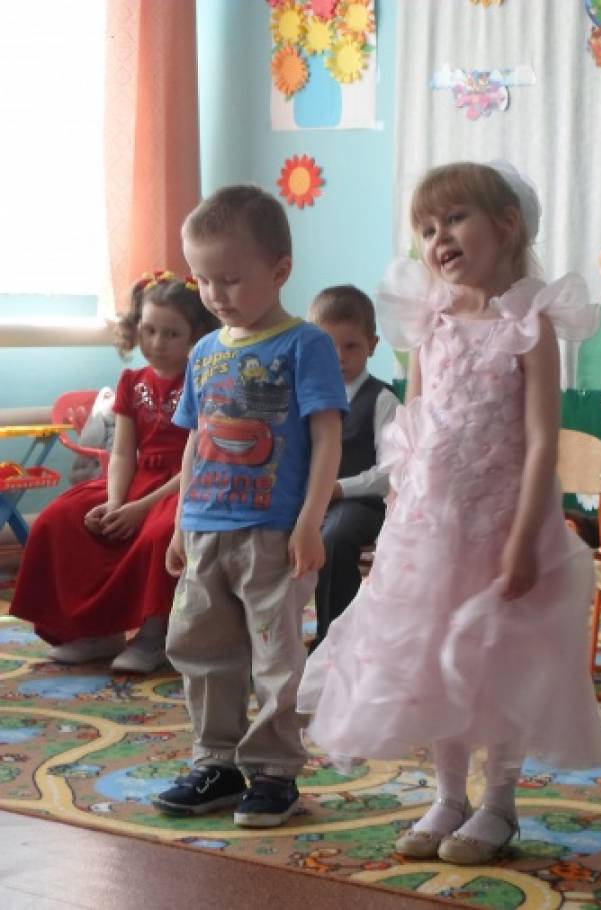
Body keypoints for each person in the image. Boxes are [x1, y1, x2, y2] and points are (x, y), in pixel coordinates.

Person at [298, 161, 601, 865]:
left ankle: (498, 804)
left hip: (504, 524)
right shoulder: (431, 321)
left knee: (496, 660)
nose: (439, 238)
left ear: (506, 226)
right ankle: (447, 796)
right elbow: (414, 425)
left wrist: (526, 537)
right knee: (433, 656)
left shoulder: (529, 323)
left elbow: (542, 440)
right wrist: (400, 517)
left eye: (455, 220)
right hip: (431, 525)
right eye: (427, 228)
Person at [152, 185, 347, 828]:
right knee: (201, 648)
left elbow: (326, 439)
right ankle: (217, 762)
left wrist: (310, 522)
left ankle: (272, 771)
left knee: (275, 656)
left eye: (230, 279)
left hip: (272, 533)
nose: (215, 294)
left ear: (280, 269)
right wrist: (181, 523)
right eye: (203, 280)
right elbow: (196, 442)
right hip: (205, 529)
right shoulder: (205, 353)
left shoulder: (305, 344)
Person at [9, 274, 219, 673]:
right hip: (133, 480)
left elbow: (200, 456)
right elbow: (122, 452)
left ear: (196, 335)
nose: (157, 343)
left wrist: (140, 508)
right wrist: (115, 502)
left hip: (182, 483)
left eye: (172, 334)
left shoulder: (206, 382)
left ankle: (154, 636)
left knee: (159, 533)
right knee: (59, 518)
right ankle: (96, 631)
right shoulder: (131, 382)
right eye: (149, 330)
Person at [306, 285, 397, 649]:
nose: (339, 357)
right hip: (312, 499)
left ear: (372, 346)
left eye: (351, 346)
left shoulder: (382, 400)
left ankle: (334, 639)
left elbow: (390, 473)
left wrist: (340, 488)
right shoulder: (306, 397)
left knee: (334, 537)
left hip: (361, 504)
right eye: (329, 347)